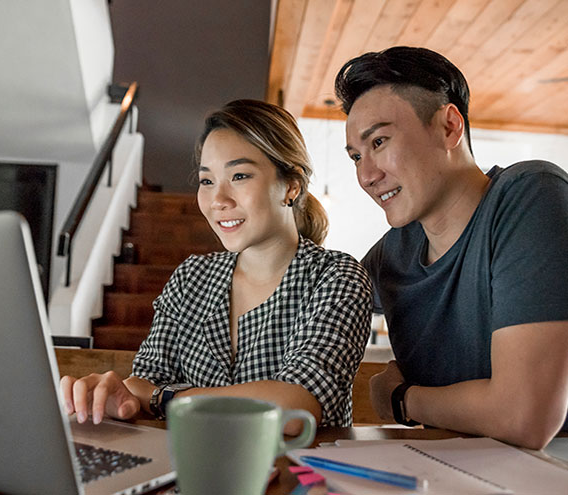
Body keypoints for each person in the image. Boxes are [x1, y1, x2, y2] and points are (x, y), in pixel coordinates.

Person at [61, 99, 373, 432]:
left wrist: (163, 399)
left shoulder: (337, 276)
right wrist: (117, 395)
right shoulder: (191, 278)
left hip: (298, 477)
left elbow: (296, 408)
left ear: (291, 186)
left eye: (239, 176)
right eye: (207, 181)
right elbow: (142, 383)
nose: (218, 200)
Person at [334, 46, 568, 449]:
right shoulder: (394, 252)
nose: (367, 175)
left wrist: (402, 399)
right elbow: (316, 295)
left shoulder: (532, 196)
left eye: (379, 142)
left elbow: (524, 417)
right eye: (356, 156)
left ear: (449, 127)